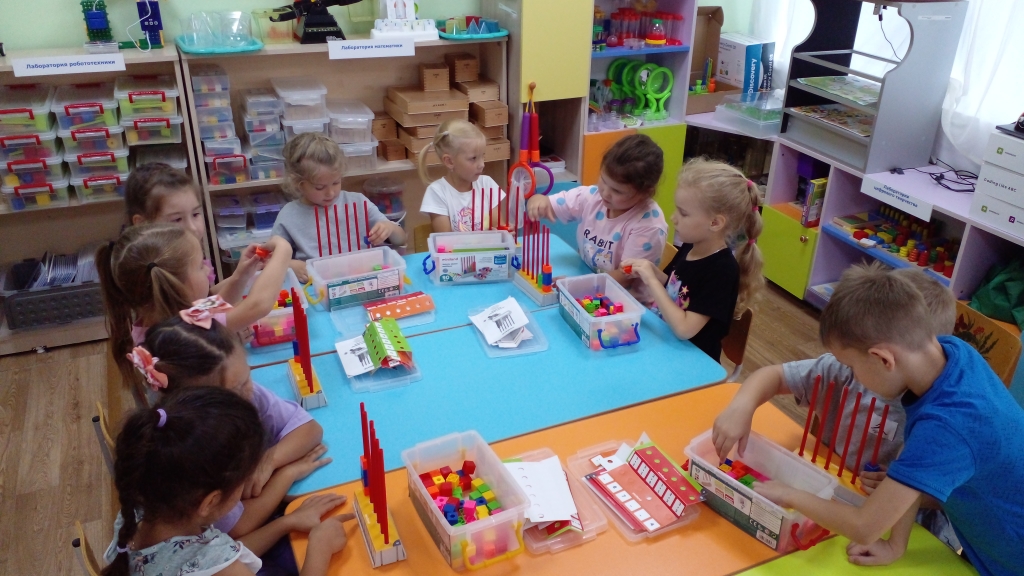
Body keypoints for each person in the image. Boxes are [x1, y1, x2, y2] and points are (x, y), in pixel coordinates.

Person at [751, 264, 1024, 574]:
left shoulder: (949, 425)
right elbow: (915, 446)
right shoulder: (950, 354)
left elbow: (864, 526)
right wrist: (896, 544)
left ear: (883, 359)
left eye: (852, 366)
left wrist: (788, 494)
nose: (853, 376)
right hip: (988, 537)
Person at [712, 266, 957, 492]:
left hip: (875, 509)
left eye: (851, 364)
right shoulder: (846, 369)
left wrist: (904, 490)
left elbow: (947, 494)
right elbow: (773, 376)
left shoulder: (938, 419)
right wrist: (742, 406)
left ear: (883, 358)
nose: (848, 368)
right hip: (822, 486)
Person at [101, 387, 354, 576]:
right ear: (210, 501)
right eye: (243, 481)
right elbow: (217, 560)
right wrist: (320, 548)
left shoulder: (142, 506)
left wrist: (285, 523)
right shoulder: (222, 569)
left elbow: (220, 552)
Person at [131, 314, 327, 540]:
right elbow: (238, 527)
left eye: (247, 377)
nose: (250, 391)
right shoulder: (190, 451)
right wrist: (285, 475)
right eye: (237, 388)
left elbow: (309, 429)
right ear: (197, 402)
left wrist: (269, 460)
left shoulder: (244, 394)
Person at [97, 223, 292, 401]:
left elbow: (214, 304)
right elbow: (258, 305)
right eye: (200, 266)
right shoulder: (186, 335)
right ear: (175, 285)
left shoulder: (161, 319)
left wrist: (242, 274)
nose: (207, 270)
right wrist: (284, 250)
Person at [622, 158, 763, 359]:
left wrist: (652, 281)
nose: (673, 217)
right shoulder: (691, 245)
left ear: (715, 223)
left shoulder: (722, 270)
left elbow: (684, 329)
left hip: (692, 360)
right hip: (665, 340)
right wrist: (651, 271)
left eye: (683, 213)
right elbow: (677, 290)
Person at [526, 134, 667, 288]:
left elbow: (625, 277)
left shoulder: (649, 225)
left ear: (645, 193)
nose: (605, 193)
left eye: (617, 191)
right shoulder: (592, 196)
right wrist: (539, 200)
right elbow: (550, 204)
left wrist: (578, 285)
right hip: (589, 280)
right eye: (603, 181)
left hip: (626, 296)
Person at [272, 133, 405, 283]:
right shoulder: (289, 216)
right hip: (314, 288)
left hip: (364, 281)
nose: (330, 193)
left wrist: (390, 228)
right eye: (320, 187)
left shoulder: (358, 203)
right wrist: (289, 264)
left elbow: (401, 239)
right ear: (298, 183)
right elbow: (269, 259)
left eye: (336, 183)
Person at [124, 162, 261, 305]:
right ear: (142, 224)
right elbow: (209, 314)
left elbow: (206, 303)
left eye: (195, 214)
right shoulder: (158, 272)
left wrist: (243, 275)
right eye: (177, 219)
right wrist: (278, 259)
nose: (193, 228)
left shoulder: (188, 256)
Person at [418, 119, 503, 232]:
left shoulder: (487, 184)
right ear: (449, 161)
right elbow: (445, 240)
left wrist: (505, 232)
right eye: (473, 158)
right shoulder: (437, 193)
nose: (482, 164)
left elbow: (498, 228)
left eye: (482, 156)